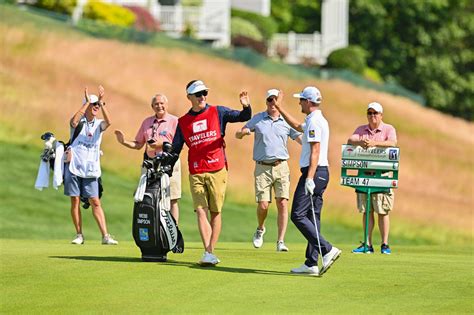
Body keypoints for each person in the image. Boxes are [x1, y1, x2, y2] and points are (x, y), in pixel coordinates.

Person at [172, 79, 251, 265]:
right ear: (189, 97)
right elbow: (176, 148)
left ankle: (210, 250)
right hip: (196, 170)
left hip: (217, 168)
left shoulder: (218, 112)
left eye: (204, 93)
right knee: (200, 210)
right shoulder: (183, 122)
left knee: (215, 212)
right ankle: (208, 252)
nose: (202, 97)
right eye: (198, 94)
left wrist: (246, 106)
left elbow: (242, 116)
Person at [273, 86, 341, 276]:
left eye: (302, 100)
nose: (299, 102)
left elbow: (315, 150)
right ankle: (311, 263)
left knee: (297, 214)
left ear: (309, 102)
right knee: (312, 217)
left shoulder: (315, 122)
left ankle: (327, 250)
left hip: (315, 172)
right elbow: (296, 126)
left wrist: (309, 178)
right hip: (320, 172)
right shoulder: (314, 119)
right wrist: (279, 107)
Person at [235, 89, 301, 252]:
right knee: (263, 205)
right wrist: (242, 133)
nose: (272, 103)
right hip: (262, 167)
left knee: (282, 203)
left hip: (281, 166)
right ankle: (260, 228)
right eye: (270, 100)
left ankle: (280, 241)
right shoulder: (258, 119)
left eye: (275, 100)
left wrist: (312, 145)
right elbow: (240, 132)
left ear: (279, 101)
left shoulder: (286, 121)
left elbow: (299, 137)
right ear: (266, 102)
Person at [114, 93, 182, 223]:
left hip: (169, 163)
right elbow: (139, 144)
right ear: (152, 106)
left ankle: (173, 232)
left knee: (171, 198)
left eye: (162, 103)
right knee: (148, 196)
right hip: (150, 164)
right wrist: (124, 142)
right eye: (156, 104)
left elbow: (178, 144)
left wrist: (160, 144)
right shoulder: (147, 122)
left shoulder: (175, 121)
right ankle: (155, 227)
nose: (159, 106)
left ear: (166, 105)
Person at [65, 86, 118, 245]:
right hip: (74, 165)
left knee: (95, 201)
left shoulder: (99, 124)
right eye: (93, 105)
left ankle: (105, 236)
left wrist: (102, 103)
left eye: (97, 105)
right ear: (86, 106)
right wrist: (86, 102)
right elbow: (73, 121)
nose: (95, 107)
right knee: (75, 200)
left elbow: (109, 122)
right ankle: (79, 235)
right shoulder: (78, 122)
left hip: (91, 168)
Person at [347, 102, 397, 255]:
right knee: (367, 211)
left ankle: (384, 244)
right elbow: (350, 140)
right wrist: (361, 141)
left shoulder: (388, 129)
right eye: (369, 113)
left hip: (382, 176)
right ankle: (367, 244)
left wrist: (374, 143)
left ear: (381, 115)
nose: (372, 116)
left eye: (375, 113)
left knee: (382, 211)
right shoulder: (361, 129)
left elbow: (392, 142)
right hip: (365, 176)